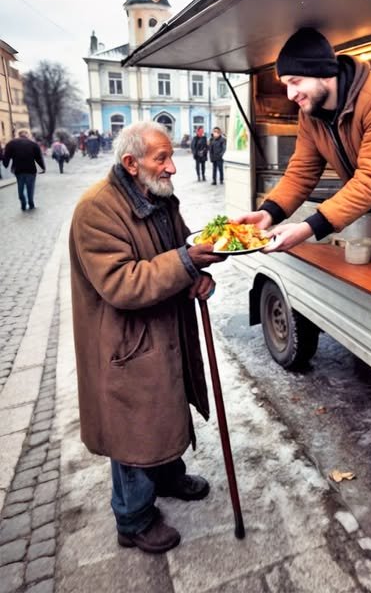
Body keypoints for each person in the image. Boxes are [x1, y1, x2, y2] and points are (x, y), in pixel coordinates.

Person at [69, 121, 224, 554]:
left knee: (167, 405)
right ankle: (133, 518)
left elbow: (179, 248)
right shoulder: (96, 209)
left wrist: (200, 272)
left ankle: (169, 476)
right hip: (126, 341)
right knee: (133, 427)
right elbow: (120, 282)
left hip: (165, 327)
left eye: (171, 156)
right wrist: (185, 263)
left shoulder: (156, 195)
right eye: (162, 158)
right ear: (131, 163)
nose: (173, 166)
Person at [237, 27, 371, 252]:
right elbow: (302, 171)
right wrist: (268, 213)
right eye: (286, 85)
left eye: (296, 81)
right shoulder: (309, 113)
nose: (290, 95)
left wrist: (308, 228)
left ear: (324, 73)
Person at [2, 129, 46, 211]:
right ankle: (31, 203)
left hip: (19, 169)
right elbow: (39, 158)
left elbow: (6, 155)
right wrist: (42, 168)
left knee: (20, 187)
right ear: (27, 135)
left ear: (18, 134)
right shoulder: (33, 144)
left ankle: (23, 202)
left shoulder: (11, 143)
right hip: (31, 169)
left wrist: (5, 163)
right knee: (30, 187)